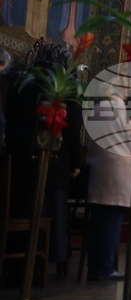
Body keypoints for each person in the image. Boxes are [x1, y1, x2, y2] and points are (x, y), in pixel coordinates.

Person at [5, 41, 84, 277]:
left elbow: (10, 117)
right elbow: (72, 128)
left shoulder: (22, 80)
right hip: (52, 164)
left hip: (18, 162)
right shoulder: (65, 85)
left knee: (20, 209)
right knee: (50, 212)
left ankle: (15, 264)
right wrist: (76, 162)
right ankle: (43, 260)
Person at [84, 79, 131, 281]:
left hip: (97, 167)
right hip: (117, 170)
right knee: (112, 220)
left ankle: (94, 265)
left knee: (97, 221)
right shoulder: (122, 110)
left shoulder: (97, 109)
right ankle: (105, 268)